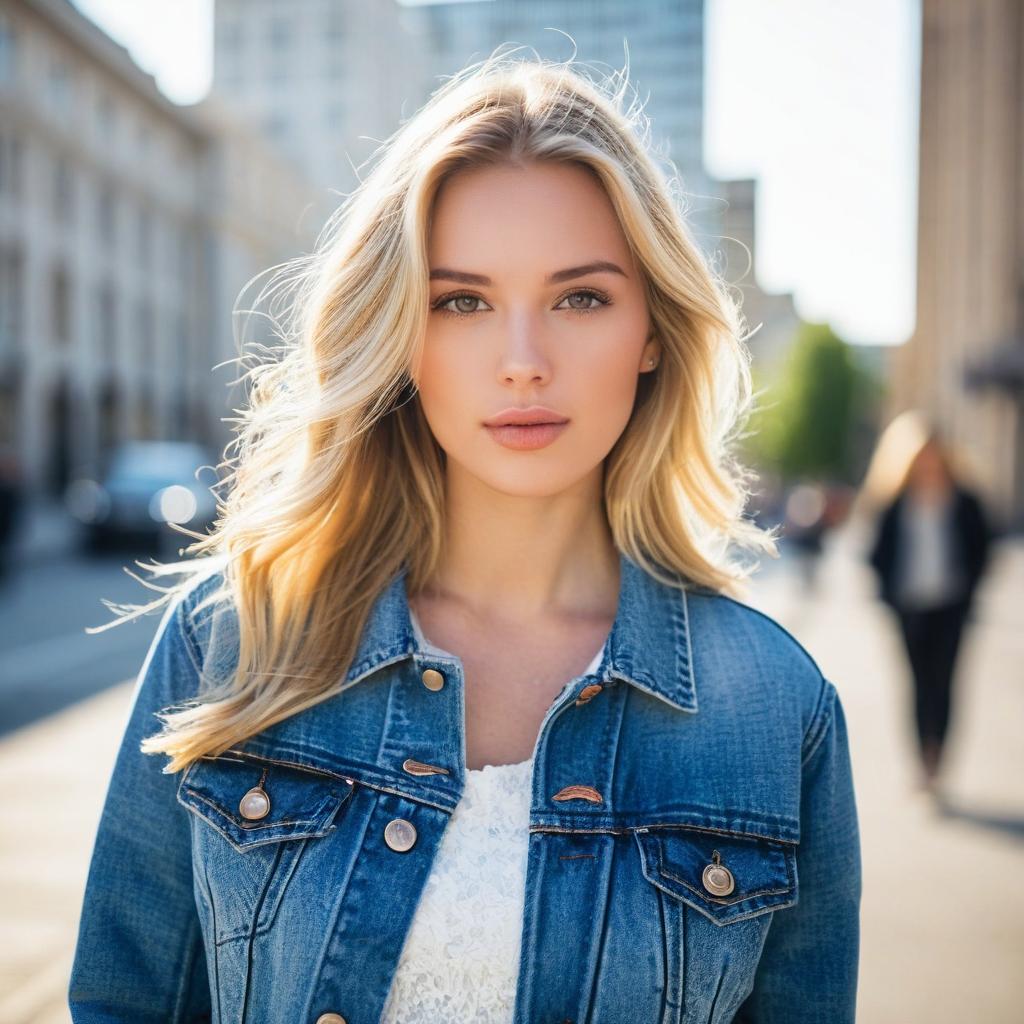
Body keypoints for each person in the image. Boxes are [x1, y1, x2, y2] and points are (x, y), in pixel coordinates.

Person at [68, 51, 861, 1023]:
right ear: (401, 329)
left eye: (579, 297)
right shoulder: (231, 640)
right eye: (462, 300)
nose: (522, 362)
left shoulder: (777, 714)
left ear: (651, 329)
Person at [864, 411, 995, 794]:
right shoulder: (896, 502)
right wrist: (888, 593)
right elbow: (877, 553)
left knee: (946, 682)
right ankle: (923, 758)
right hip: (910, 606)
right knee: (918, 683)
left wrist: (970, 586)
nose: (929, 462)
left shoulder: (964, 500)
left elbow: (983, 547)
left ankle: (940, 759)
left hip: (951, 605)